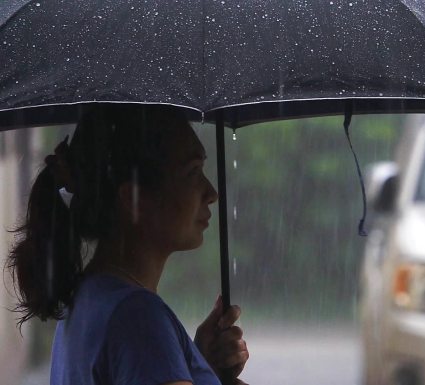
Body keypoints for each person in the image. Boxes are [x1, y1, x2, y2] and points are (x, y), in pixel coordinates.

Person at [5, 104, 249, 385]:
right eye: (192, 172)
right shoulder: (138, 318)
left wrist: (196, 365)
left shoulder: (90, 296)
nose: (212, 193)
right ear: (134, 199)